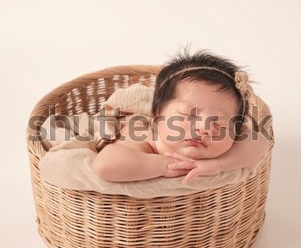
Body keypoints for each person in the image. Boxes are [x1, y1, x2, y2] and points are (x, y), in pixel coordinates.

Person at [92, 49, 269, 183]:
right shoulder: (146, 140)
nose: (203, 128)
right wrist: (163, 164)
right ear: (156, 117)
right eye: (187, 115)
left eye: (219, 125)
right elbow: (104, 164)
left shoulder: (220, 149)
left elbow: (260, 143)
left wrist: (217, 165)